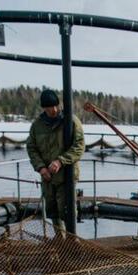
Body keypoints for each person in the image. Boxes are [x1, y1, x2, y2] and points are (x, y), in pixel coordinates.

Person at [26, 89, 85, 231]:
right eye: (48, 107)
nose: (52, 110)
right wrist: (41, 167)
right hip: (48, 177)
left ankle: (72, 242)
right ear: (43, 108)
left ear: (58, 105)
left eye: (54, 106)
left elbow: (79, 146)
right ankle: (60, 242)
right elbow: (31, 148)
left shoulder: (71, 121)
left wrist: (60, 161)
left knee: (67, 210)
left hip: (66, 176)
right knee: (52, 211)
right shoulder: (37, 125)